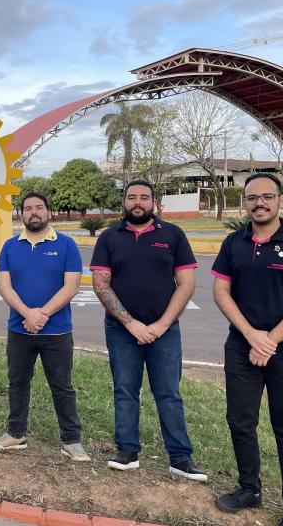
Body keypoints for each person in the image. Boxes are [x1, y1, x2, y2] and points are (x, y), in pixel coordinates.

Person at [212, 173, 283, 526]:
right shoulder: (233, 243)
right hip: (241, 349)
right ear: (244, 202)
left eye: (267, 197)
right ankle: (249, 489)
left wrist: (270, 340)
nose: (259, 203)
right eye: (252, 198)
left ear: (280, 200)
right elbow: (221, 293)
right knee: (240, 422)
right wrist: (251, 336)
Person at [90, 179, 206, 481]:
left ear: (154, 203)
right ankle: (127, 451)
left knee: (168, 393)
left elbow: (187, 284)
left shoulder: (173, 235)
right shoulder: (108, 237)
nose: (137, 202)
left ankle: (180, 458)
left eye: (144, 197)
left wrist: (160, 325)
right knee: (125, 390)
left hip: (164, 331)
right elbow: (101, 285)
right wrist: (131, 324)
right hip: (121, 331)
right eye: (132, 197)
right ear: (124, 202)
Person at [0, 193, 90, 461]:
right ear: (22, 214)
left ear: (49, 212)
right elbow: (4, 286)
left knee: (62, 385)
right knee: (17, 383)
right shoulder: (10, 247)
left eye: (39, 208)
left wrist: (41, 315)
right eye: (28, 208)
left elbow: (72, 286)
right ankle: (15, 433)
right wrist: (26, 314)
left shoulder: (66, 245)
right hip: (19, 330)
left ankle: (71, 440)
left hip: (57, 331)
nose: (34, 212)